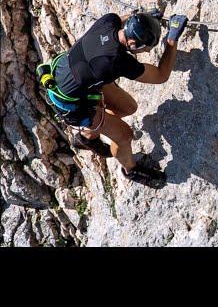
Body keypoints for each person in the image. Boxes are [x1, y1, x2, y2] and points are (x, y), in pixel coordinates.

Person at [38, 10, 188, 188]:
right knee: (124, 135)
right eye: (147, 47)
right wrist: (172, 38)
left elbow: (123, 18)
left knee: (128, 107)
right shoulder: (117, 61)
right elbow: (161, 75)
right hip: (75, 107)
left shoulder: (108, 22)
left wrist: (145, 19)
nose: (148, 50)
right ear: (132, 44)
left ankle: (87, 136)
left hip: (73, 77)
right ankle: (131, 170)